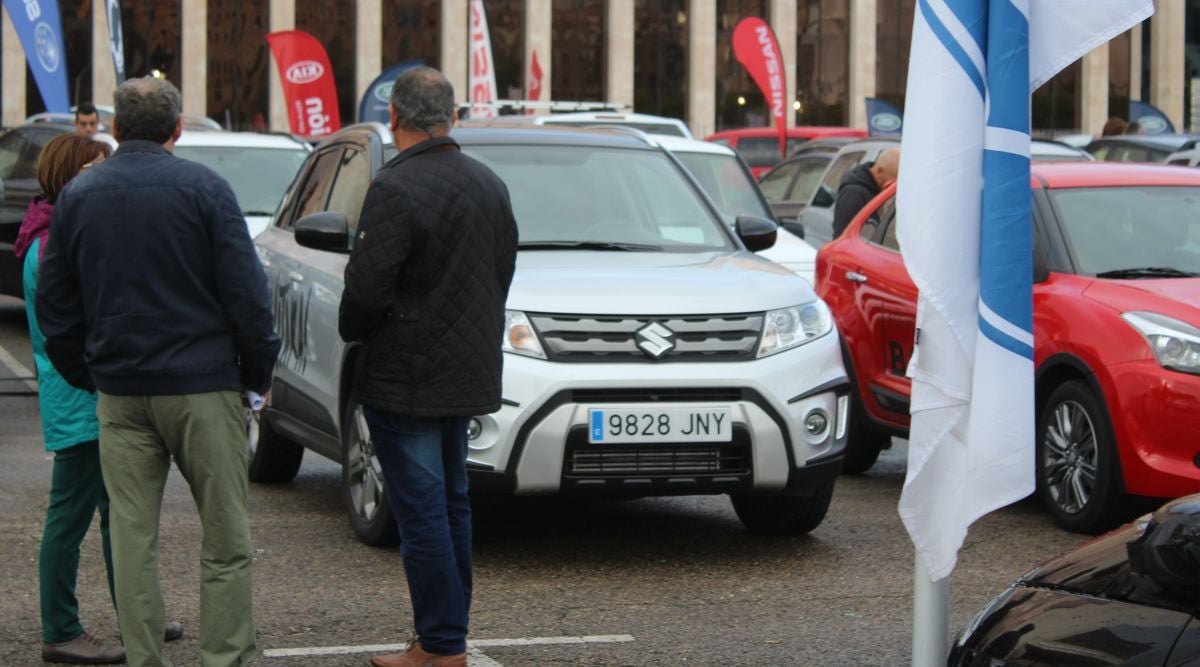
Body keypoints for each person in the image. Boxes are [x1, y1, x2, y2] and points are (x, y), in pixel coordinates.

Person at [36, 76, 280, 667]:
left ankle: (145, 658)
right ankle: (227, 656)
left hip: (121, 390)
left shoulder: (80, 195)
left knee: (133, 537)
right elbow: (248, 296)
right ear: (178, 129)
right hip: (203, 384)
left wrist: (89, 374)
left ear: (116, 129)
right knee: (224, 535)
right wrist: (257, 373)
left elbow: (54, 305)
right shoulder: (206, 189)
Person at [338, 66, 518, 667]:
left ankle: (441, 646)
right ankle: (446, 637)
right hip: (465, 371)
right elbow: (500, 275)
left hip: (405, 374)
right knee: (451, 506)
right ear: (453, 117)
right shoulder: (490, 184)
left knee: (422, 514)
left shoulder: (394, 188)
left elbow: (367, 290)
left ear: (394, 118)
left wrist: (355, 332)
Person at [831, 148, 900, 240]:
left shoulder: (877, 190)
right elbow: (844, 238)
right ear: (878, 171)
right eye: (892, 182)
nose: (891, 187)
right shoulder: (853, 195)